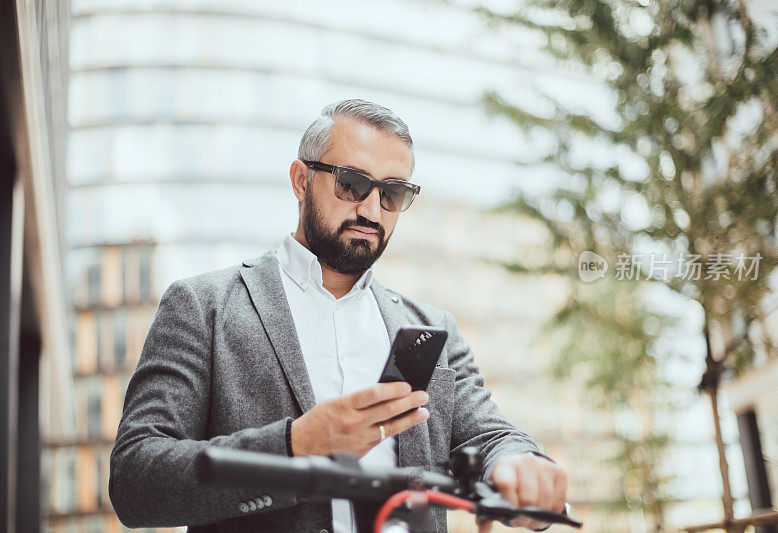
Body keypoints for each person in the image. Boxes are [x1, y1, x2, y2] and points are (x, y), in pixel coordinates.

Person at [109, 99, 567, 533]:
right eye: (351, 183)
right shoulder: (204, 306)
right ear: (300, 179)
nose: (370, 209)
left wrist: (521, 465)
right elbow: (135, 479)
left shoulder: (434, 329)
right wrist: (296, 443)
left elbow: (490, 437)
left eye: (392, 193)